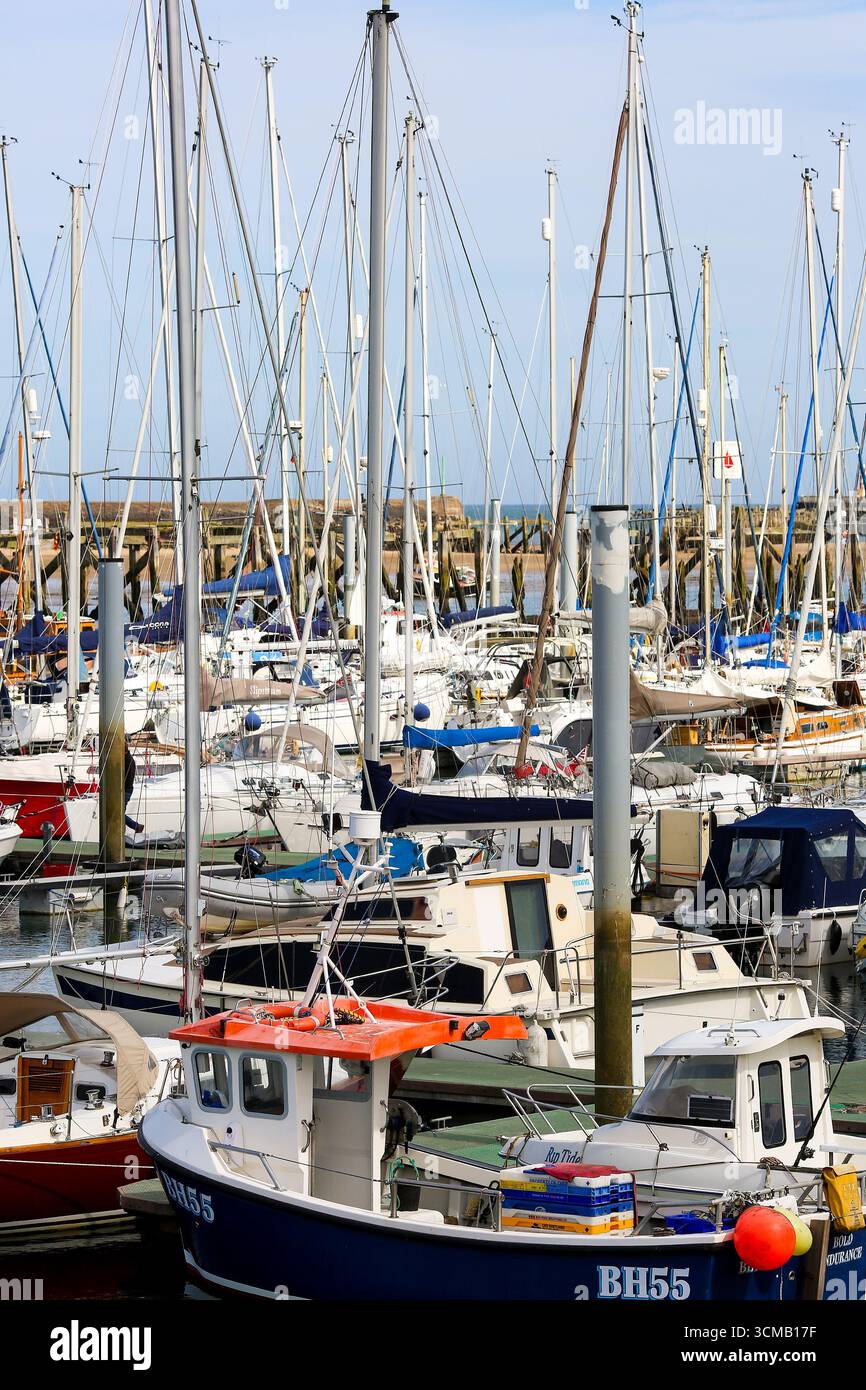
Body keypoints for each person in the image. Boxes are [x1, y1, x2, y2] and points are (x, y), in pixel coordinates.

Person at [124, 737, 145, 834]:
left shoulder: (127, 760)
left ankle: (136, 826)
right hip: (126, 789)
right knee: (119, 813)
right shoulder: (128, 759)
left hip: (125, 790)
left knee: (118, 814)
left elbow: (127, 777)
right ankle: (135, 826)